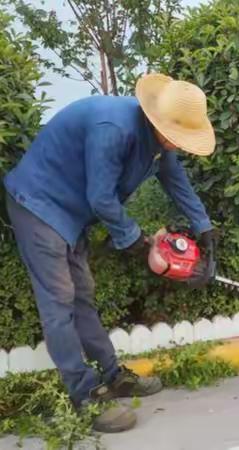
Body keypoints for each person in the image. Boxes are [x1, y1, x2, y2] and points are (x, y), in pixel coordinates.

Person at [3, 73, 217, 433]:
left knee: (83, 294)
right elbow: (101, 197)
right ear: (159, 122)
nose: (178, 146)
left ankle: (113, 375)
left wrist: (205, 227)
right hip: (38, 205)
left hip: (71, 214)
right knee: (59, 300)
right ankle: (83, 397)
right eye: (177, 138)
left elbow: (175, 180)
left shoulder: (158, 143)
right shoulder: (113, 127)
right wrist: (133, 239)